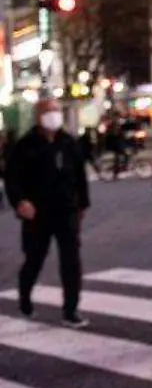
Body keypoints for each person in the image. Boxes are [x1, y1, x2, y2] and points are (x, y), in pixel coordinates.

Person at [5, 99, 90, 327]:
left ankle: (71, 309)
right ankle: (25, 298)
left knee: (71, 261)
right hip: (37, 213)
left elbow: (80, 176)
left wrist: (82, 204)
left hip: (66, 211)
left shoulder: (68, 142)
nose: (53, 115)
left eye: (56, 111)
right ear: (37, 116)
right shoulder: (25, 145)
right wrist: (20, 202)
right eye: (48, 112)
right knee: (34, 259)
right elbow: (12, 178)